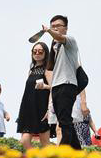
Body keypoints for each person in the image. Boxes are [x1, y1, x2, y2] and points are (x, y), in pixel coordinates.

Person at [35, 15, 82, 149]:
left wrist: (49, 31)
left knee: (64, 125)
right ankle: (79, 154)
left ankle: (61, 156)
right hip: (56, 87)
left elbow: (60, 37)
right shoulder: (55, 47)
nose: (55, 28)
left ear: (66, 28)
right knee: (65, 123)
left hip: (67, 85)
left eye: (58, 26)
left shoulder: (70, 41)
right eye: (52, 26)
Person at [16, 42, 52, 150]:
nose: (37, 53)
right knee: (24, 141)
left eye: (40, 51)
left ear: (46, 53)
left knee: (45, 143)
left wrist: (50, 108)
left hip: (42, 108)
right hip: (28, 108)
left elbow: (54, 88)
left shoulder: (47, 69)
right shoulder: (31, 70)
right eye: (34, 51)